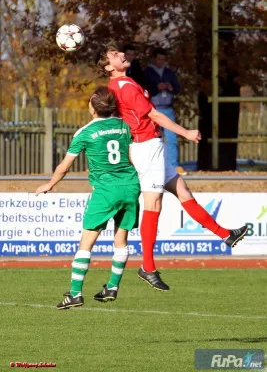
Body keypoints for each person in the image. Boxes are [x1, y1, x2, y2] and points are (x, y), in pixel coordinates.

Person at [95, 44, 248, 291]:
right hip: (146, 148)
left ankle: (225, 235)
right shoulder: (123, 86)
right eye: (114, 55)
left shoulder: (124, 84)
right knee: (153, 204)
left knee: (183, 191)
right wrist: (185, 132)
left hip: (150, 146)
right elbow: (154, 115)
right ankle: (148, 267)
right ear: (108, 66)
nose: (121, 54)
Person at [35, 86, 140, 309]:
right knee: (121, 240)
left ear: (92, 108)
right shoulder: (123, 126)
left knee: (87, 242)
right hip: (131, 186)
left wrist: (50, 184)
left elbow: (65, 166)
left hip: (105, 190)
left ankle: (74, 294)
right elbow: (132, 156)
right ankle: (112, 287)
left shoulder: (84, 132)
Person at [144, 47, 186, 175]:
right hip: (153, 110)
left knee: (172, 138)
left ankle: (174, 165)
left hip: (168, 109)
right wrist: (156, 88)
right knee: (153, 140)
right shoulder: (147, 72)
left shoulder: (169, 72)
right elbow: (143, 89)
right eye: (159, 59)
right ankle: (152, 166)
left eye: (163, 59)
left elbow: (178, 89)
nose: (161, 61)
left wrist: (171, 88)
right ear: (154, 58)